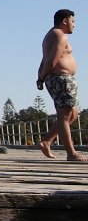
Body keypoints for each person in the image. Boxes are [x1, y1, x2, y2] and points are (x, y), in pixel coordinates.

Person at [36, 9, 87, 162]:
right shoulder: (59, 34)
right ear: (65, 21)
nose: (74, 25)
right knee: (64, 115)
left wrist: (40, 76)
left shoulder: (51, 35)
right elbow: (51, 60)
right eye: (72, 21)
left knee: (73, 114)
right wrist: (42, 77)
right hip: (61, 79)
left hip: (62, 78)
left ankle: (47, 141)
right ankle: (71, 153)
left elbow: (44, 59)